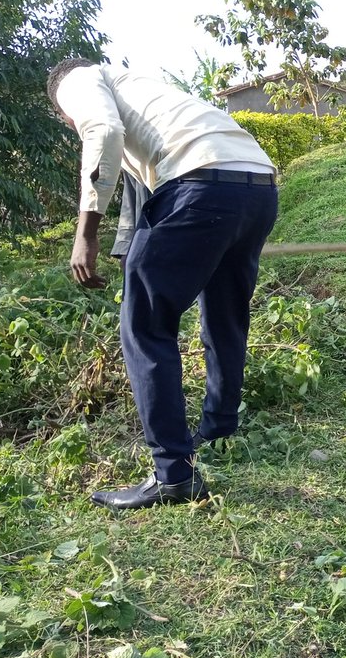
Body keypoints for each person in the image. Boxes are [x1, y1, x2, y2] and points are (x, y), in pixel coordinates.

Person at [46, 59, 279, 510]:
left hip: (201, 185)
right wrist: (129, 249)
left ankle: (173, 473)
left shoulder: (75, 81)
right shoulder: (144, 85)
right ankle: (218, 430)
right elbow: (145, 185)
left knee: (145, 328)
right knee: (226, 313)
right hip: (257, 184)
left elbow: (105, 135)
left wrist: (85, 234)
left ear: (62, 108)